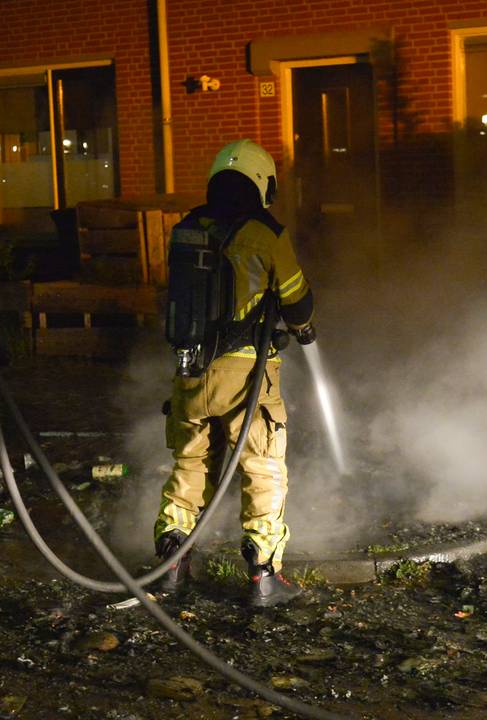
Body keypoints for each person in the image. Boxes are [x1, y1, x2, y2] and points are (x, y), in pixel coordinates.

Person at [153, 139, 316, 608]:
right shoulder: (265, 234)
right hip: (246, 373)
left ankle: (172, 565)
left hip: (189, 370)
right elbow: (297, 300)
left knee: (190, 463)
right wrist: (303, 328)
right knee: (262, 466)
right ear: (261, 183)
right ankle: (264, 574)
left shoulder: (186, 228)